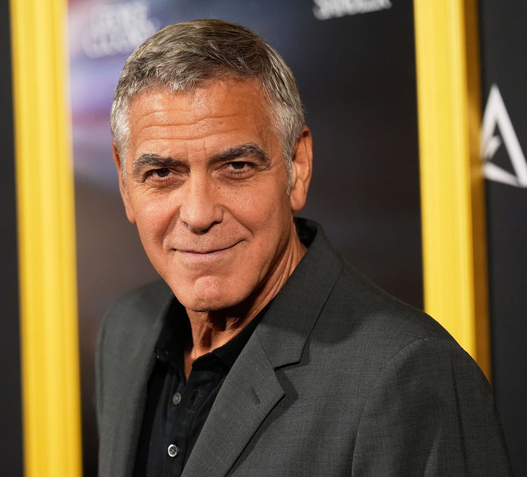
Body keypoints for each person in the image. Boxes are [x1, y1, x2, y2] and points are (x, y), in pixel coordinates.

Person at [95, 19, 512, 477]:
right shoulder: (125, 332)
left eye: (236, 167)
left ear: (298, 166)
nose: (198, 214)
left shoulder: (407, 374)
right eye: (161, 173)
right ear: (124, 182)